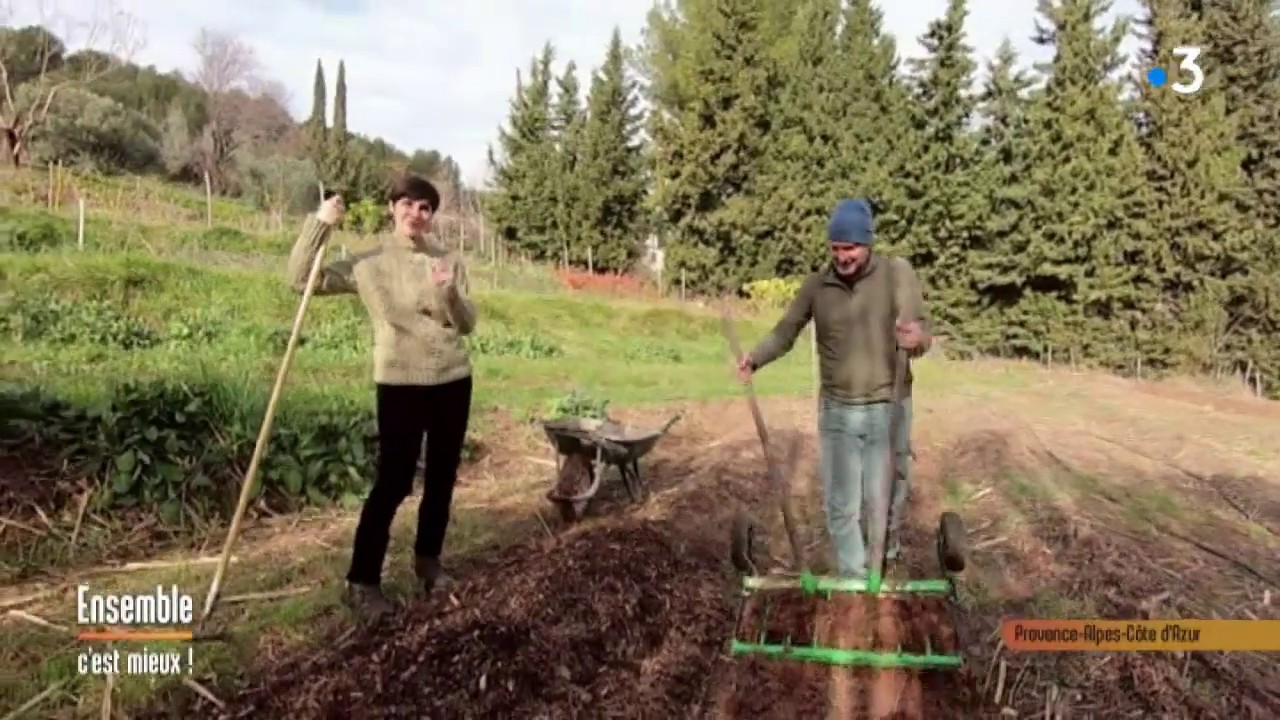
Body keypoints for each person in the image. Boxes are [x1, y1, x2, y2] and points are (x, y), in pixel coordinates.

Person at [285, 174, 478, 621]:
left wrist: (449, 292)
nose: (416, 214)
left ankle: (428, 562)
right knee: (393, 482)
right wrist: (320, 224)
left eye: (426, 207)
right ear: (393, 207)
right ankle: (362, 580)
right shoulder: (367, 261)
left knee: (443, 478)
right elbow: (299, 280)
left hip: (453, 379)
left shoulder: (448, 258)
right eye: (408, 204)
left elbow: (466, 324)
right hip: (400, 383)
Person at [736, 198, 930, 579]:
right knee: (841, 505)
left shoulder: (896, 276)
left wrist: (916, 339)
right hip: (838, 411)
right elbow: (785, 332)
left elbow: (922, 335)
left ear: (868, 243)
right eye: (836, 248)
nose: (842, 257)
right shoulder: (817, 286)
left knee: (885, 499)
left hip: (887, 407)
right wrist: (754, 358)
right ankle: (855, 584)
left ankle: (884, 554)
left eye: (850, 248)